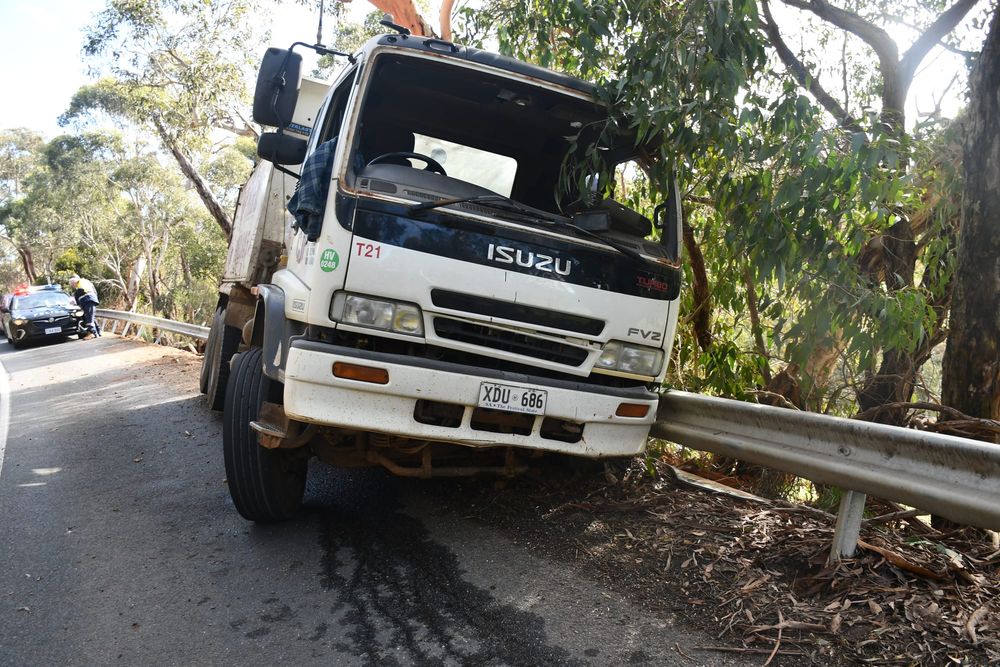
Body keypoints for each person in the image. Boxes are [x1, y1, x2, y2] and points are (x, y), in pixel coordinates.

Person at [69, 274, 100, 340]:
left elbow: (82, 290)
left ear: (74, 282)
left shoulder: (81, 282)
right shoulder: (86, 282)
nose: (73, 286)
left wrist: (75, 296)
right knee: (92, 317)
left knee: (89, 318)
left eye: (72, 284)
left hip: (88, 300)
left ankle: (92, 333)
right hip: (90, 300)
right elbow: (94, 292)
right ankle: (98, 332)